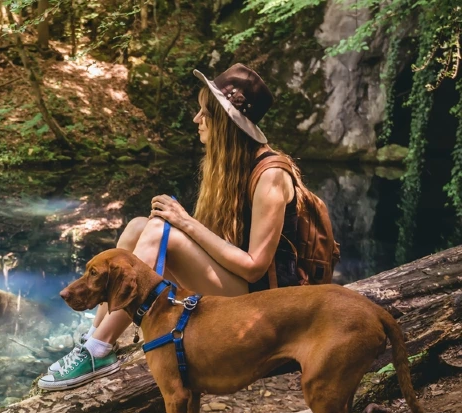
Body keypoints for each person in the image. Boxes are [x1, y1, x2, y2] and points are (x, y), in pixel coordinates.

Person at [38, 63, 299, 391]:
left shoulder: (271, 176)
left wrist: (185, 222)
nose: (196, 119)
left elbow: (254, 267)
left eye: (204, 111)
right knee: (137, 226)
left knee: (163, 231)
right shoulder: (233, 166)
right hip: (239, 288)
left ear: (226, 123)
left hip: (266, 304)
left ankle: (98, 349)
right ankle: (97, 338)